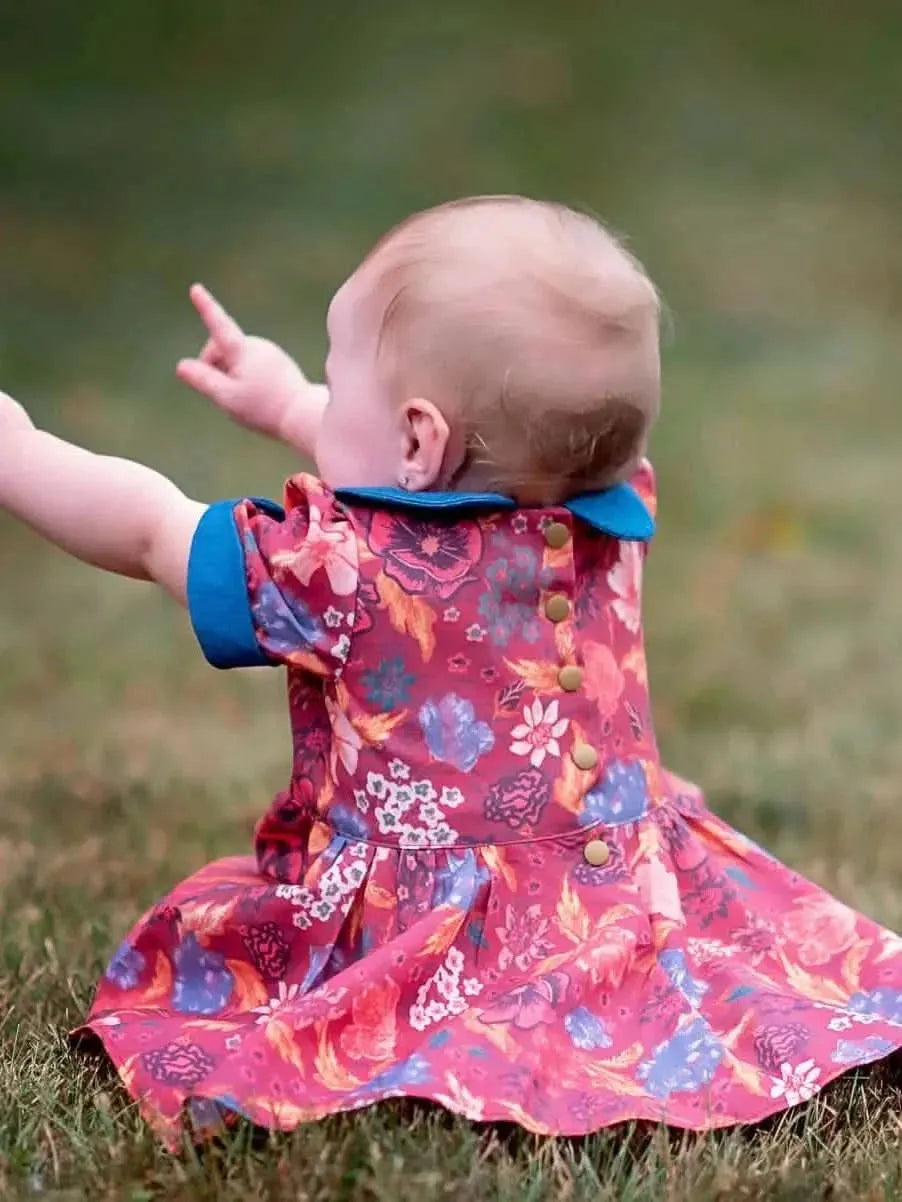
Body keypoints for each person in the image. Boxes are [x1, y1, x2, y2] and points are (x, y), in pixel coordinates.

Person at [1, 196, 899, 1149]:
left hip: (440, 922)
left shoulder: (340, 569)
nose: (326, 397)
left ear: (419, 439)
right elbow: (417, 477)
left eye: (336, 379)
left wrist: (18, 452)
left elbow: (150, 529)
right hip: (623, 892)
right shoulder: (608, 513)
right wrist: (287, 401)